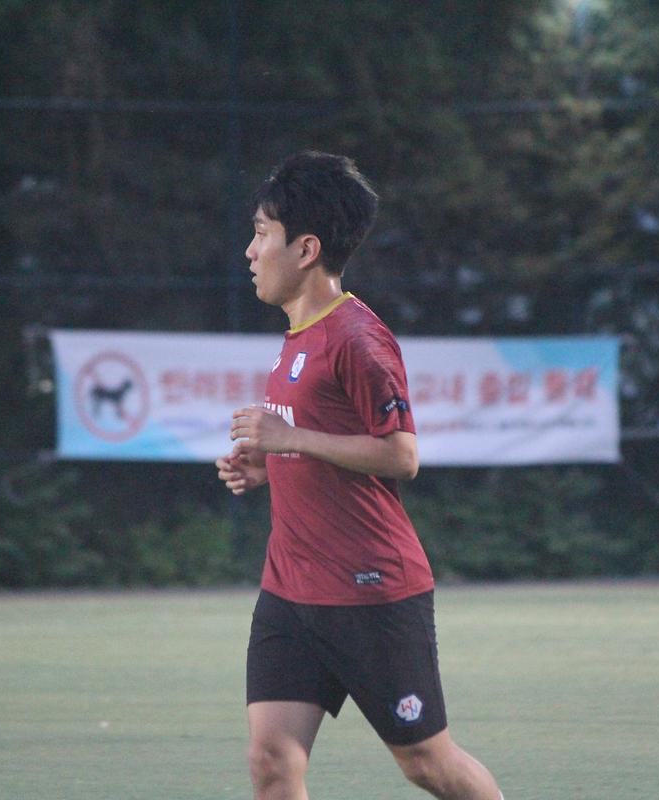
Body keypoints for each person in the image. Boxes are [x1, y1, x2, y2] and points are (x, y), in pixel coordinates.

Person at [216, 151, 503, 800]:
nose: (250, 252)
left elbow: (401, 455)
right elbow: (326, 445)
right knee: (271, 759)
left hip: (369, 590)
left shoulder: (358, 338)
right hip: (290, 588)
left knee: (427, 764)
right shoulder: (298, 335)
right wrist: (269, 464)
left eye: (261, 234)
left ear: (306, 249)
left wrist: (289, 438)